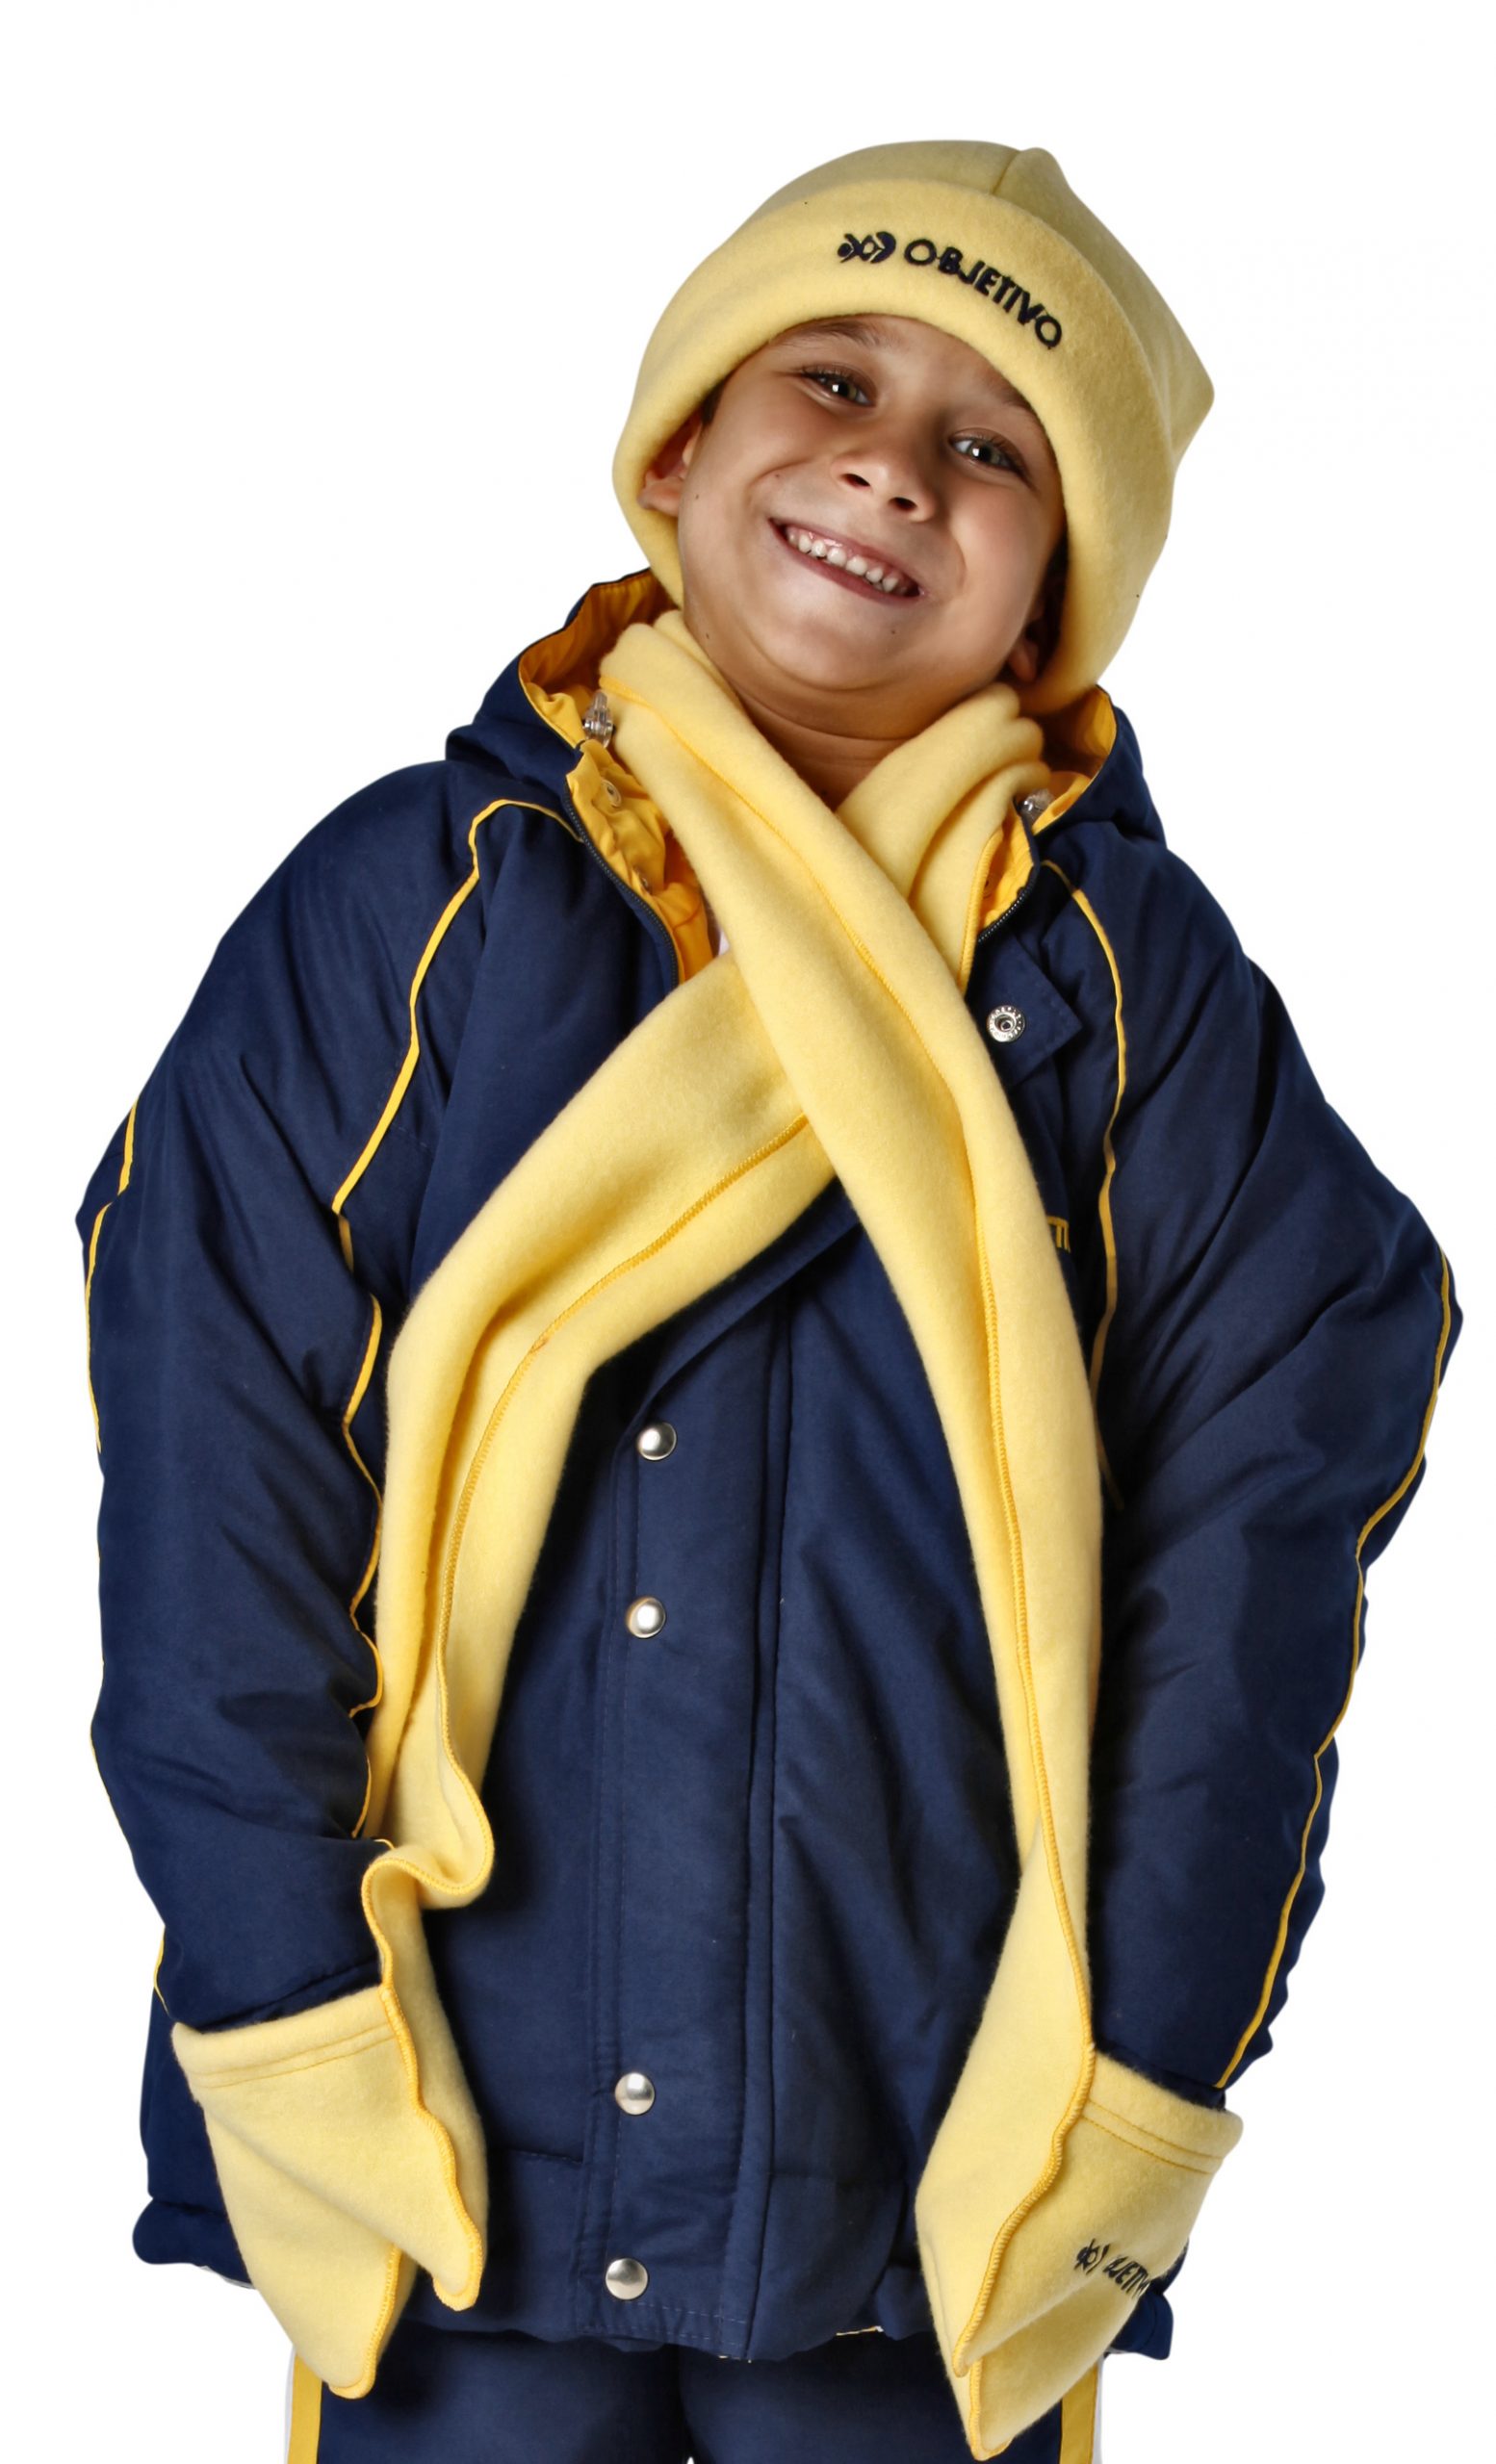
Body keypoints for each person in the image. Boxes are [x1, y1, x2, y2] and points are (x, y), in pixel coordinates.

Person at [74, 141, 1461, 2464]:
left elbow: (1251, 1576)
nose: (889, 465)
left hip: (926, 2169)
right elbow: (213, 1467)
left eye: (992, 446)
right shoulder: (421, 905)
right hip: (444, 2129)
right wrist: (280, 1989)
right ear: (678, 448)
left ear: (1056, 592)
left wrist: (1136, 2077)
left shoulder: (1134, 1001)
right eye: (830, 377)